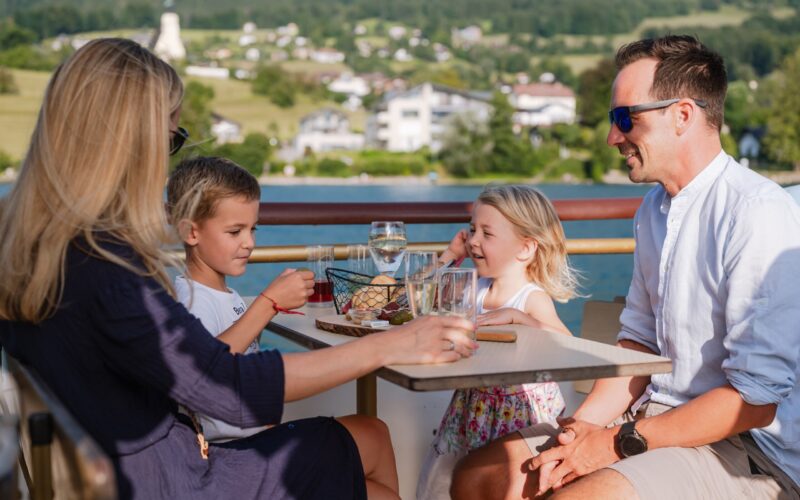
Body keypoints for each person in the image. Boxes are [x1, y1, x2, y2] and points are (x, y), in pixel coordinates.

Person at [0, 38, 478, 500]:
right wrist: (391, 343)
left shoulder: (34, 253)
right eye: (171, 139)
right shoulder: (105, 271)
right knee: (354, 459)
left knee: (361, 461)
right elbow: (228, 391)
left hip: (134, 473)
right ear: (133, 142)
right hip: (176, 483)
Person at [451, 35, 800, 500]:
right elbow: (638, 346)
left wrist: (613, 445)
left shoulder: (757, 212)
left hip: (744, 452)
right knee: (479, 477)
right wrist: (580, 430)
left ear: (682, 115)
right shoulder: (653, 211)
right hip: (649, 421)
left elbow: (753, 404)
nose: (613, 136)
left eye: (624, 118)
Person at [417, 185, 579, 499]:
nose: (473, 240)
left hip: (519, 417)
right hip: (468, 411)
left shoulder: (531, 298)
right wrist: (450, 256)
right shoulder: (473, 288)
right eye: (472, 229)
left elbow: (569, 345)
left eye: (487, 234)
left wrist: (525, 320)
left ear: (525, 248)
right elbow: (419, 299)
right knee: (444, 485)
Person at [166, 156, 315, 443]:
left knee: (372, 433)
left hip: (255, 435)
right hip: (232, 450)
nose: (249, 242)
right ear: (191, 232)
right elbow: (207, 368)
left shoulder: (225, 294)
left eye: (252, 229)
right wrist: (269, 302)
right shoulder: (192, 301)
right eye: (235, 231)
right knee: (371, 434)